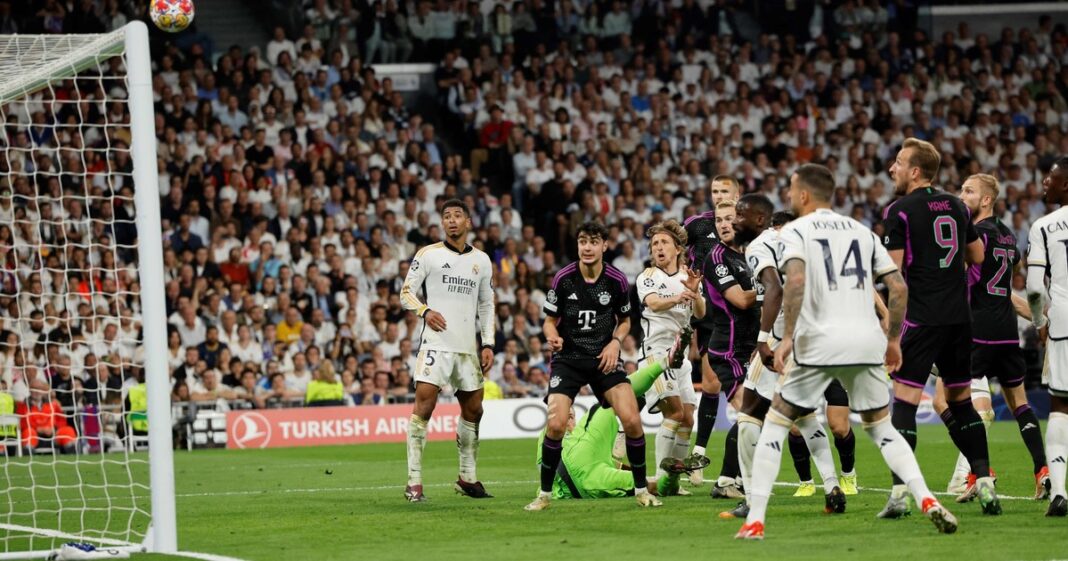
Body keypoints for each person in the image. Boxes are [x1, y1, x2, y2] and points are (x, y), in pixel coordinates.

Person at [737, 164, 957, 540]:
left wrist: (787, 336)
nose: (789, 196)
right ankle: (926, 499)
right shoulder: (862, 230)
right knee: (881, 427)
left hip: (820, 339)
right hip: (866, 340)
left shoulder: (795, 231)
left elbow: (797, 282)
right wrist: (891, 339)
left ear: (803, 195)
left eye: (792, 190)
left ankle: (755, 519)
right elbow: (898, 288)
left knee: (775, 423)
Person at [878, 138, 997, 518]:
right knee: (962, 403)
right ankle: (985, 484)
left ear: (915, 171)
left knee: (905, 403)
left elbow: (894, 280)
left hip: (922, 319)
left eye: (898, 162)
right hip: (959, 319)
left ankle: (899, 494)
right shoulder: (956, 205)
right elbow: (978, 255)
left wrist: (892, 336)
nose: (892, 169)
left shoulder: (899, 211)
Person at [722, 197, 845, 519]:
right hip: (815, 337)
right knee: (804, 415)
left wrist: (765, 341)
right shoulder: (805, 242)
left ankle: (750, 497)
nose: (735, 220)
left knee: (749, 413)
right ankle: (833, 487)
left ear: (761, 220)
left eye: (740, 215)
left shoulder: (761, 245)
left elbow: (774, 290)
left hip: (784, 341)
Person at [525, 221, 656, 510]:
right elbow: (548, 320)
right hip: (568, 360)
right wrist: (552, 336)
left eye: (594, 241)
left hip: (604, 359)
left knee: (632, 420)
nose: (587, 247)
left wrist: (615, 342)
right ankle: (544, 495)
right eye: (583, 241)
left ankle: (642, 491)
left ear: (604, 246)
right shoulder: (563, 279)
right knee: (557, 424)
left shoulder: (617, 281)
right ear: (578, 245)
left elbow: (624, 321)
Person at [933, 174, 1049, 500]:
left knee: (944, 401)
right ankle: (1042, 471)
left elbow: (958, 286)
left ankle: (978, 471)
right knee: (1020, 404)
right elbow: (1004, 292)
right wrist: (1041, 320)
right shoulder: (1009, 237)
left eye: (968, 191)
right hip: (1007, 334)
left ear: (986, 200)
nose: (961, 195)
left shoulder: (972, 239)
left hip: (976, 332)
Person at [401, 199, 496, 502]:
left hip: (467, 347)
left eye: (457, 216)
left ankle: (467, 478)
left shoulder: (481, 260)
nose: (452, 221)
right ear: (442, 223)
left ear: (468, 222)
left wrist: (489, 342)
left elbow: (486, 304)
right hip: (436, 344)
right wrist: (425, 311)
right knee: (424, 408)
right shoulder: (428, 255)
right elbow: (406, 293)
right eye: (446, 217)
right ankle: (414, 482)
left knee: (474, 410)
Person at [537, 330, 700, 499]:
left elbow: (544, 464)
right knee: (607, 404)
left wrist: (631, 470)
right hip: (584, 463)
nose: (566, 412)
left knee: (649, 484)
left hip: (585, 484)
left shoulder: (554, 436)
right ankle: (666, 362)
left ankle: (671, 477)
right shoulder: (565, 433)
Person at [635, 220, 705, 493]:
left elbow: (700, 313)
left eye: (664, 243)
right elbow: (653, 303)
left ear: (677, 248)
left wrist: (695, 291)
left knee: (688, 418)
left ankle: (673, 483)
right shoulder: (648, 276)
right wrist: (678, 298)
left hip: (681, 358)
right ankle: (660, 478)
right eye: (655, 244)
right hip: (656, 355)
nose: (659, 248)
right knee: (674, 412)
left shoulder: (687, 275)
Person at [701, 199, 759, 499]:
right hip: (728, 350)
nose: (724, 224)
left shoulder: (748, 255)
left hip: (749, 348)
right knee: (751, 413)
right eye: (719, 220)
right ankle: (727, 481)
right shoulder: (717, 257)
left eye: (729, 219)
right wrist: (771, 289)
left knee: (756, 415)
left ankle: (728, 479)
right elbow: (741, 300)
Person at [686, 175, 740, 487]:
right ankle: (699, 454)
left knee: (745, 395)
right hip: (709, 314)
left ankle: (742, 465)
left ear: (737, 194)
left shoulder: (746, 227)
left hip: (741, 312)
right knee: (709, 384)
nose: (718, 195)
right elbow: (679, 253)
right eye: (714, 191)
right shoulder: (696, 224)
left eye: (724, 191)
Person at [1026, 157, 1068, 517]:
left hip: (1065, 325)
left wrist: (1039, 321)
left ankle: (1059, 490)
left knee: (1061, 405)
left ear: (1066, 185)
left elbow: (1035, 287)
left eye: (1050, 178)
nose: (1044, 183)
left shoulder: (1045, 226)